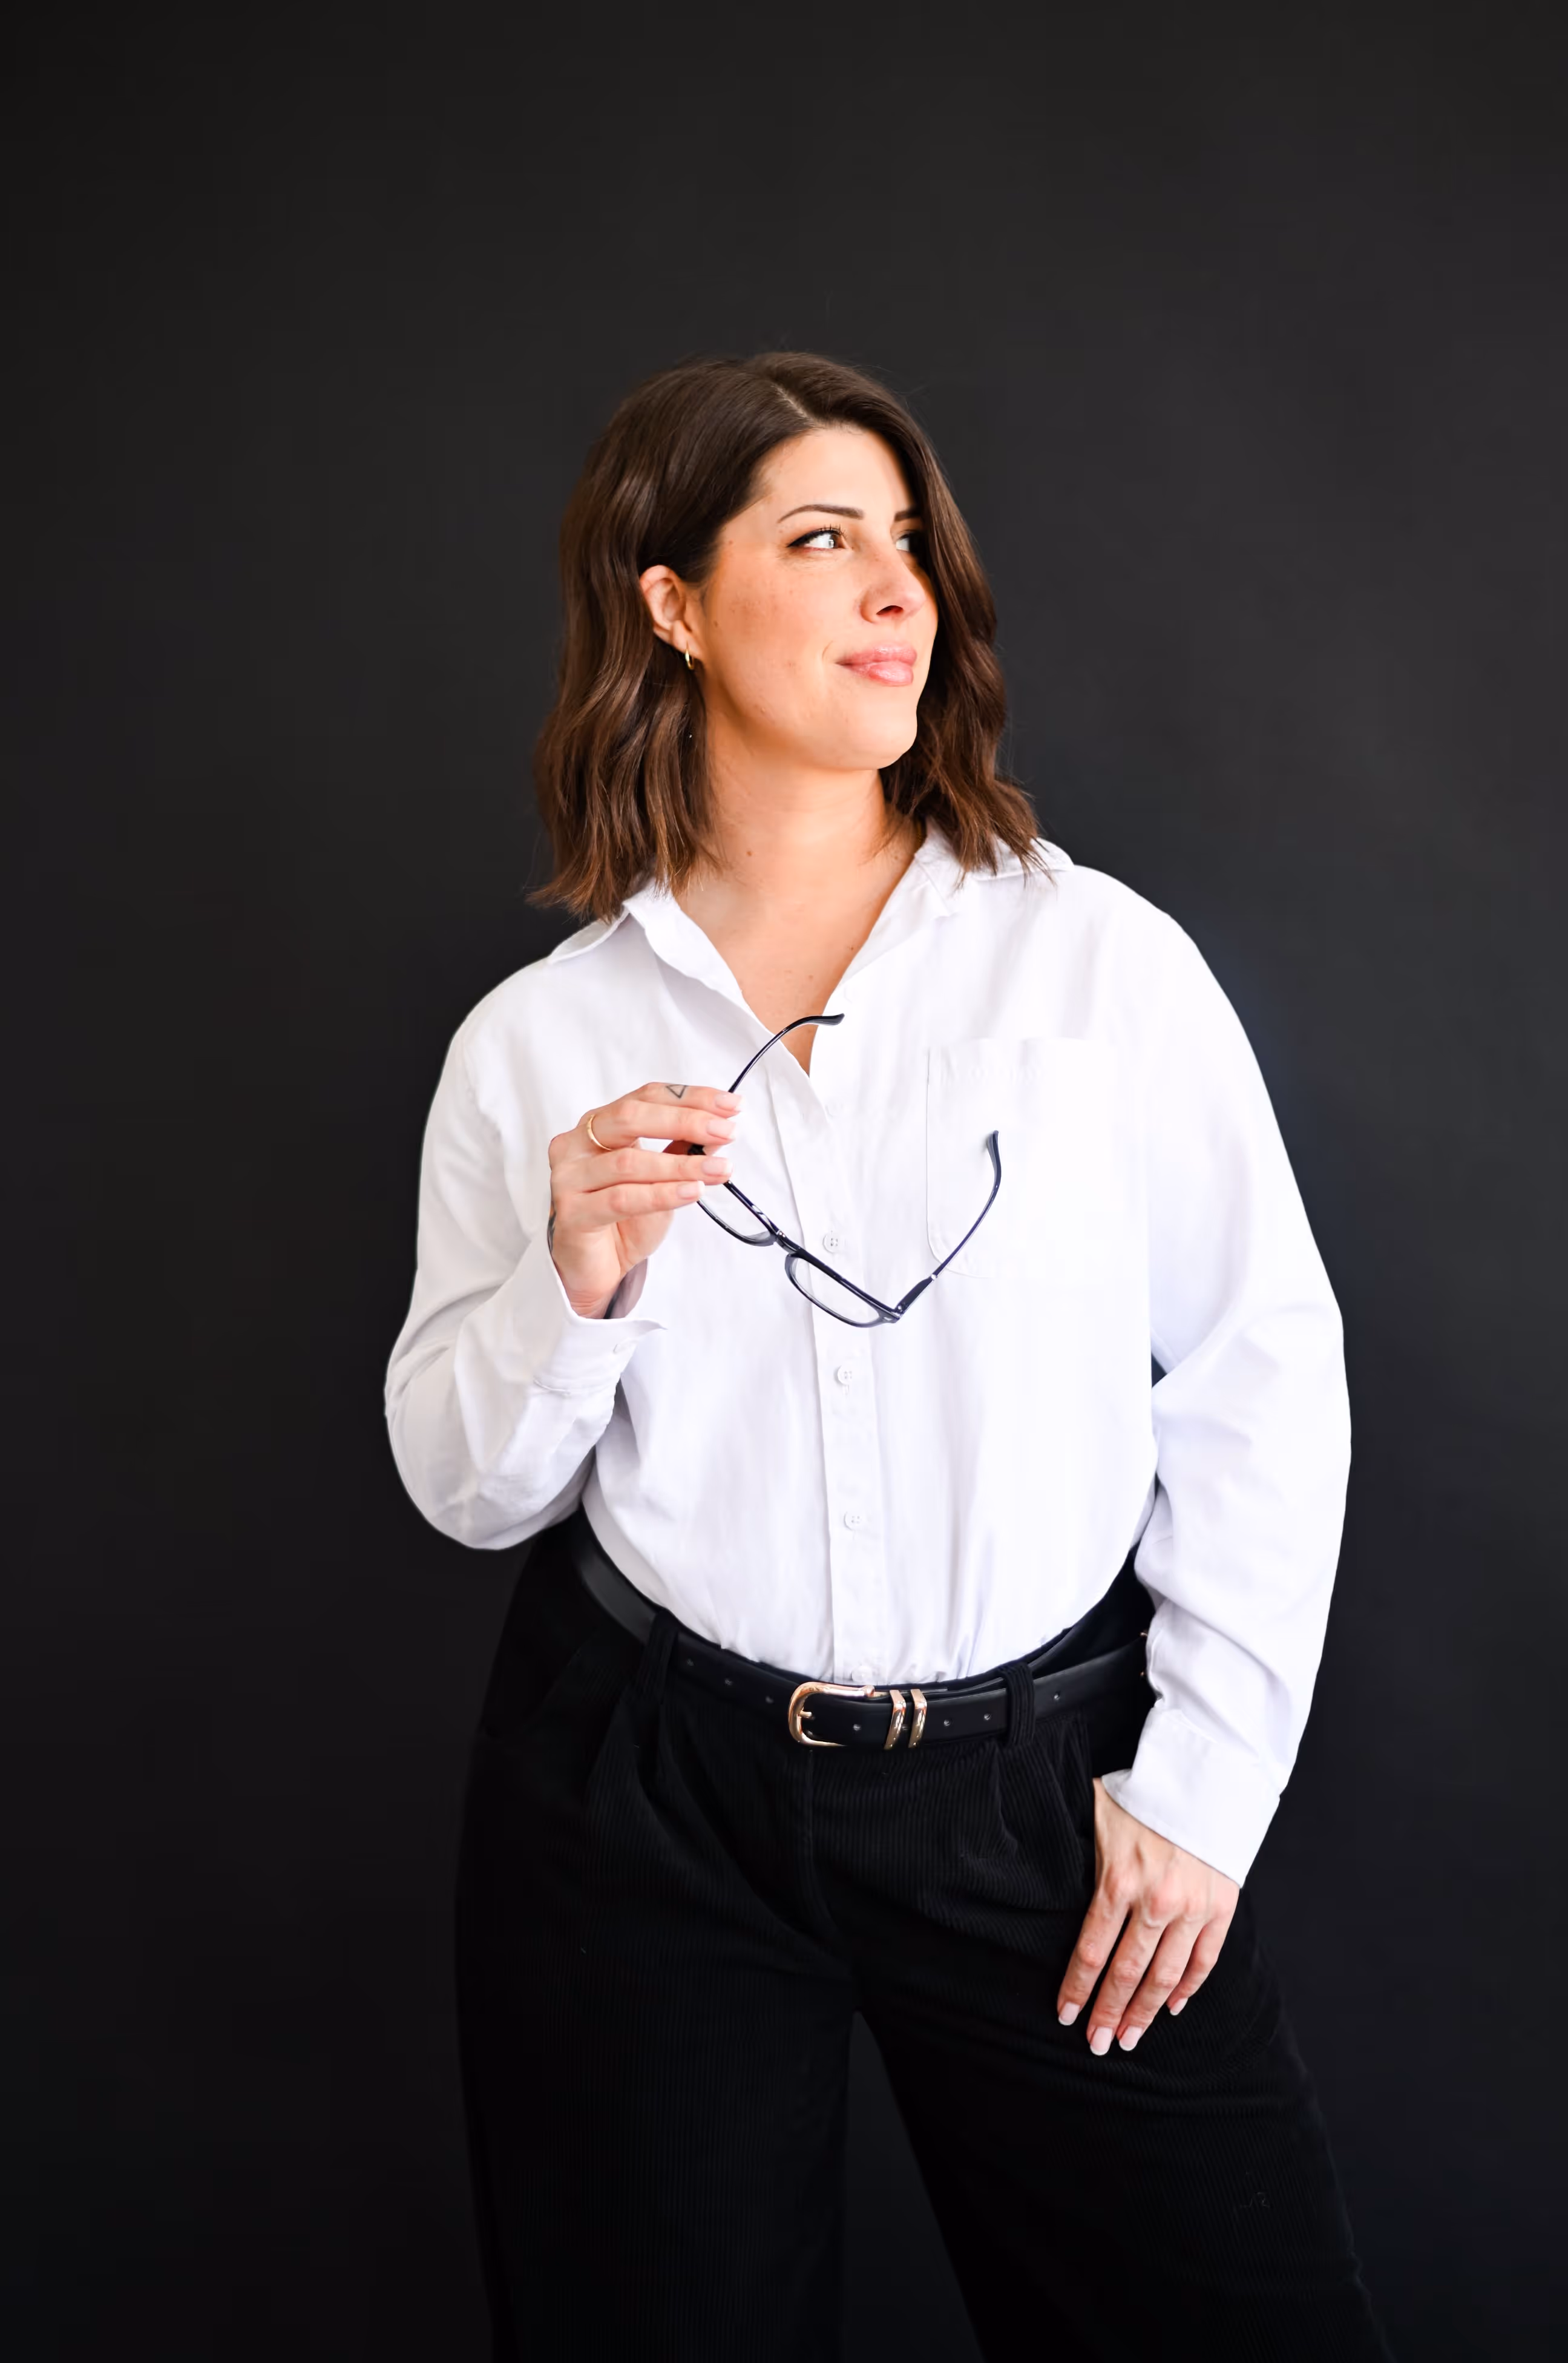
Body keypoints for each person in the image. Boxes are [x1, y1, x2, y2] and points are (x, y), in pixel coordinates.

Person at [384, 351, 1391, 2359]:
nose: (894, 591)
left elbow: (1263, 1371)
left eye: (910, 545)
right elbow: (469, 1491)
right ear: (672, 602)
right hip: (644, 1802)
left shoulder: (1096, 965)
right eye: (823, 538)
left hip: (1045, 1796)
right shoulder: (540, 1042)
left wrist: (1202, 1784)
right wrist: (575, 1281)